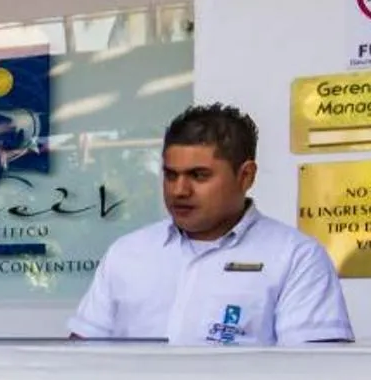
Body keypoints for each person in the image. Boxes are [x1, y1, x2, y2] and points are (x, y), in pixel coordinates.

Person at [69, 103, 352, 346]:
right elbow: (80, 357)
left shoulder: (295, 258)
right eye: (170, 175)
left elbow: (314, 378)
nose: (179, 190)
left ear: (246, 176)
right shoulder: (128, 253)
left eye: (199, 176)